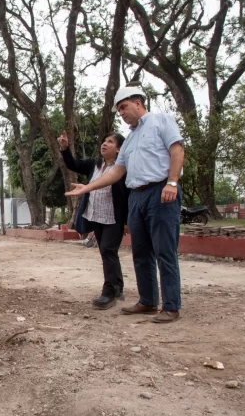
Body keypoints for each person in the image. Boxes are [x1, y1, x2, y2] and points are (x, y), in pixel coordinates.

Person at [65, 83, 185, 323]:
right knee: (140, 252)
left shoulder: (162, 121)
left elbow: (177, 150)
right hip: (136, 196)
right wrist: (88, 187)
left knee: (164, 251)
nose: (121, 113)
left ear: (138, 103)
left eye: (123, 107)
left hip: (160, 191)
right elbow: (116, 172)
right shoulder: (129, 140)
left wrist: (172, 182)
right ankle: (148, 301)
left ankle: (171, 305)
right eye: (119, 110)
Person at [59, 130, 129, 310]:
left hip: (114, 217)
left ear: (119, 149)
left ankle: (109, 292)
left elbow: (127, 195)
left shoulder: (123, 168)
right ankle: (118, 285)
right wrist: (65, 148)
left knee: (107, 250)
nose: (104, 144)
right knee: (108, 252)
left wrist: (127, 220)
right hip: (96, 215)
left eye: (111, 142)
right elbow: (73, 164)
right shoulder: (94, 164)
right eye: (104, 140)